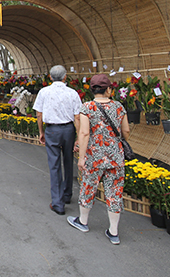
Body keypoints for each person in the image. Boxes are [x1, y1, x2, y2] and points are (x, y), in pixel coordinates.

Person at [67, 73, 130, 245]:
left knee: (88, 187)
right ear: (109, 89)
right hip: (115, 157)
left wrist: (81, 158)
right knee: (114, 192)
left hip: (94, 157)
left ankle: (83, 222)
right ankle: (114, 232)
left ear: (92, 90)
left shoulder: (87, 107)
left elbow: (84, 133)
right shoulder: (119, 107)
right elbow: (126, 132)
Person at [33, 65, 82, 216]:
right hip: (68, 130)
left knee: (54, 165)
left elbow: (39, 114)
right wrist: (78, 137)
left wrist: (41, 131)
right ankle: (67, 195)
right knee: (68, 161)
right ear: (65, 77)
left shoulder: (44, 92)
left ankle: (58, 203)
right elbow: (77, 117)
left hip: (52, 130)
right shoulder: (72, 93)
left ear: (50, 77)